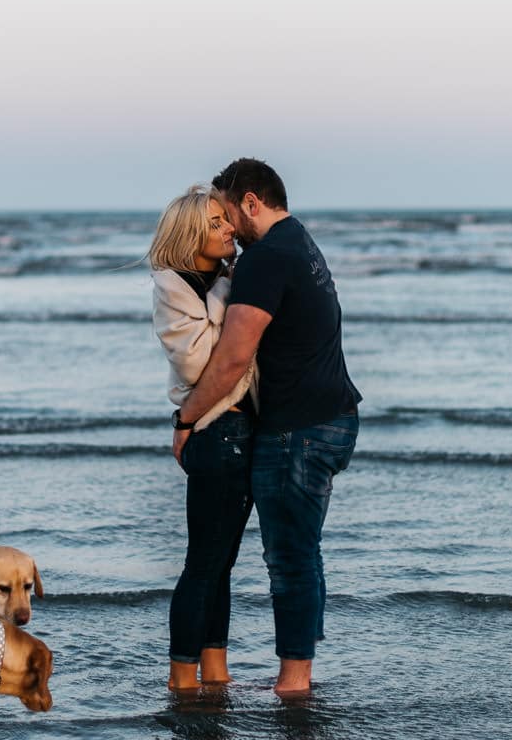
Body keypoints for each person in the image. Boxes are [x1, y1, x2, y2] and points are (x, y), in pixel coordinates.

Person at [170, 158, 360, 697]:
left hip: (298, 428)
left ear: (250, 201)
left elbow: (232, 359)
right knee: (303, 551)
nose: (228, 227)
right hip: (333, 417)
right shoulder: (299, 241)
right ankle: (297, 672)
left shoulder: (266, 259)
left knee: (290, 557)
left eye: (228, 212)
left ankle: (294, 683)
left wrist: (185, 419)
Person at [148, 186, 258, 691]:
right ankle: (181, 677)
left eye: (225, 221)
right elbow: (198, 364)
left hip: (241, 427)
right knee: (203, 564)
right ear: (192, 232)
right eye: (216, 224)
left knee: (222, 564)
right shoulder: (174, 287)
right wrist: (234, 320)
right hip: (215, 432)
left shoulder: (229, 279)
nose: (228, 228)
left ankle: (215, 670)